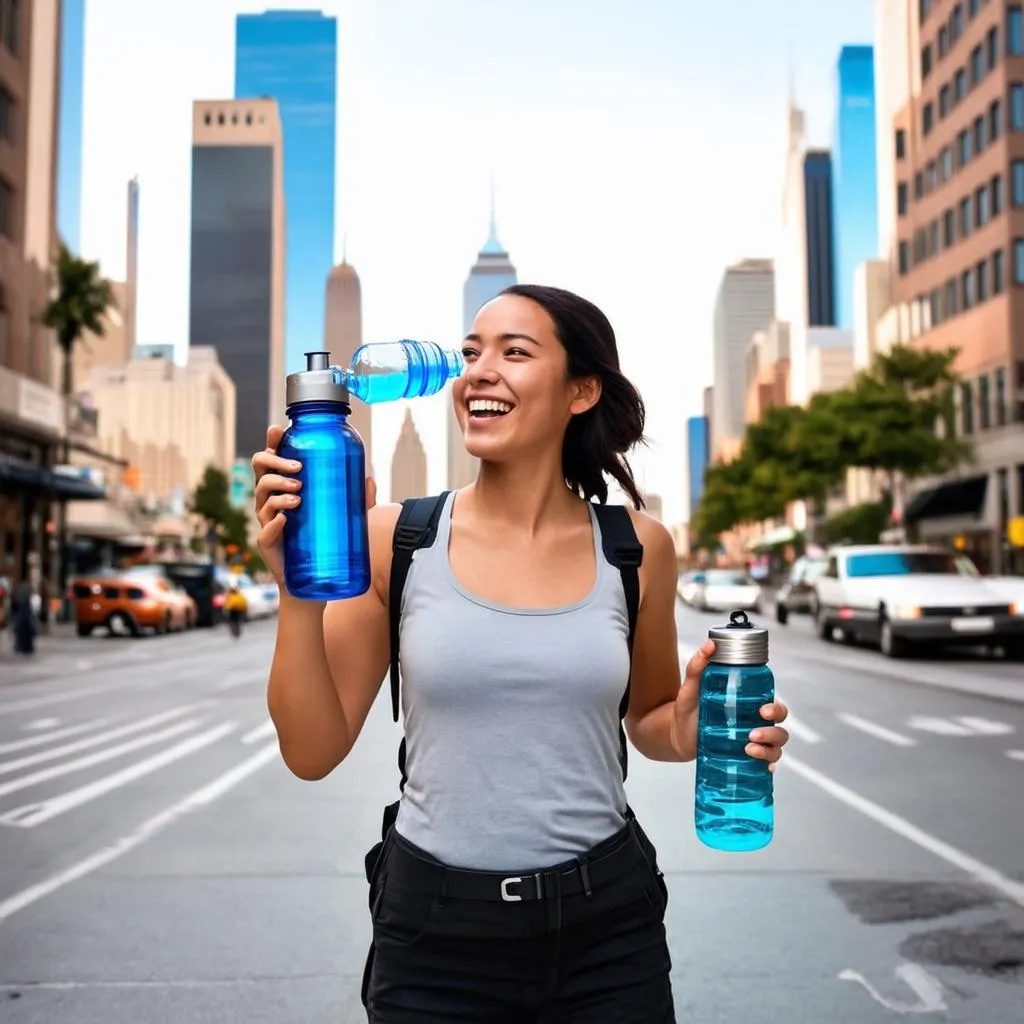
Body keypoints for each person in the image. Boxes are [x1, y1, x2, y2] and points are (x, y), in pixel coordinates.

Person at [252, 284, 790, 1022]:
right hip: (434, 937)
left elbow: (652, 724)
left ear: (581, 389)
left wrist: (692, 728)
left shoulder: (636, 548)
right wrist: (295, 591)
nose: (479, 372)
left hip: (608, 930)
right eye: (471, 354)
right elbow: (310, 751)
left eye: (514, 352)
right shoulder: (394, 539)